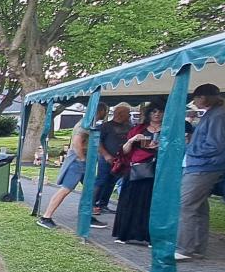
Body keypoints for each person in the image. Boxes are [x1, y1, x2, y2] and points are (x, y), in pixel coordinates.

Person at [176, 84, 225, 260]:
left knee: (186, 205)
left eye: (196, 98)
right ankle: (196, 247)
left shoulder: (219, 116)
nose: (195, 102)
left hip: (204, 166)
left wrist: (191, 150)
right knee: (199, 208)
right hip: (202, 165)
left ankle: (184, 248)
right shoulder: (215, 114)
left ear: (205, 97)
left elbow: (215, 145)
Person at [37, 104, 109, 229]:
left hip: (83, 161)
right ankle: (46, 217)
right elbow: (76, 142)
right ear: (101, 111)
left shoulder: (89, 124)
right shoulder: (84, 125)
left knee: (90, 188)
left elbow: (95, 143)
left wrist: (105, 155)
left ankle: (86, 216)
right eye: (105, 111)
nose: (106, 113)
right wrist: (82, 159)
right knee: (66, 189)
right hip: (77, 162)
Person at [111, 104, 163, 245]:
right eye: (154, 111)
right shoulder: (138, 129)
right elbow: (124, 152)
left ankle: (149, 236)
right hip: (136, 170)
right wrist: (132, 140)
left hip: (157, 172)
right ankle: (124, 234)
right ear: (149, 114)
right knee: (129, 202)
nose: (157, 114)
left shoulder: (168, 131)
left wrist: (160, 147)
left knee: (151, 204)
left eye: (160, 111)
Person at [93, 104, 132, 215]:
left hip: (121, 160)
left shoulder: (129, 127)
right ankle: (92, 204)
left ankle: (103, 204)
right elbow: (97, 142)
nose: (129, 116)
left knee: (111, 182)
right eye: (128, 113)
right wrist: (106, 155)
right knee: (101, 181)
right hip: (106, 159)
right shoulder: (105, 127)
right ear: (120, 114)